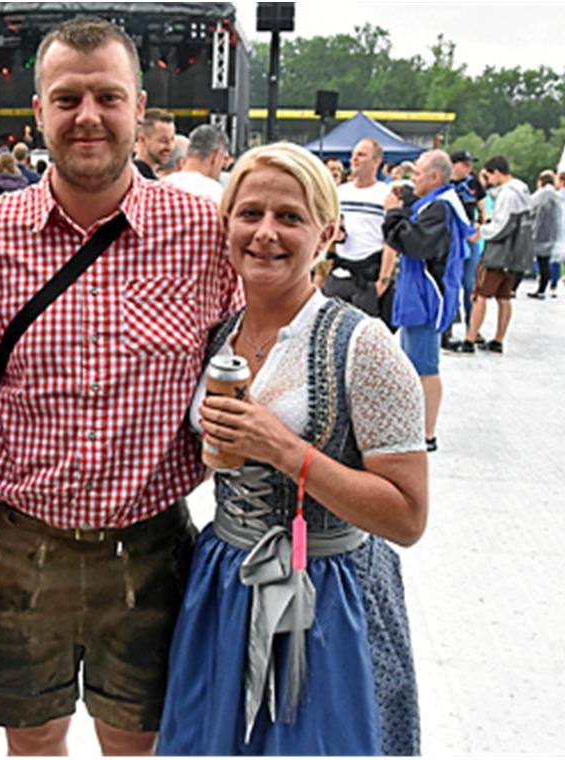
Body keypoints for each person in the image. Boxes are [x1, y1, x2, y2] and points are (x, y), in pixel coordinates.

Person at [0, 17, 236, 755]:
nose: (88, 116)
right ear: (38, 110)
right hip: (19, 542)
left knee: (137, 743)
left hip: (151, 545)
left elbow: (254, 352)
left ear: (141, 108)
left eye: (107, 97)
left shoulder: (204, 235)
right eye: (67, 97)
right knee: (34, 739)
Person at [158, 141, 427, 756]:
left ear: (326, 233)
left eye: (290, 217)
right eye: (249, 214)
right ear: (226, 224)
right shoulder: (214, 338)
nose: (265, 234)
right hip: (223, 578)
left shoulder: (365, 347)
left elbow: (408, 518)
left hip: (330, 594)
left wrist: (286, 451)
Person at [382, 150, 472, 452]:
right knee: (413, 365)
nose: (413, 179)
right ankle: (416, 427)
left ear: (435, 177)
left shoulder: (441, 208)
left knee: (425, 367)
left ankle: (427, 432)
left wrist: (394, 213)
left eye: (418, 173)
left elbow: (415, 243)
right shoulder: (435, 205)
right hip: (418, 296)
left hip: (427, 298)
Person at [459, 155, 530, 354]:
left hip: (498, 252)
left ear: (497, 172)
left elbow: (502, 225)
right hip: (515, 253)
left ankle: (469, 340)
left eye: (489, 177)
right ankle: (498, 340)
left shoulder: (507, 194)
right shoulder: (523, 190)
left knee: (480, 294)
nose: (488, 182)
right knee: (504, 297)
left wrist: (480, 231)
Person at [323, 138, 396, 325]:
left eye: (361, 155)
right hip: (339, 273)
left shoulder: (385, 194)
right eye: (353, 154)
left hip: (368, 277)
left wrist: (382, 284)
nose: (354, 159)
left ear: (376, 161)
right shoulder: (341, 193)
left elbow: (392, 241)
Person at [441, 149, 487, 350]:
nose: (469, 168)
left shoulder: (473, 183)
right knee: (450, 283)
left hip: (469, 238)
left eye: (470, 164)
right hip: (449, 238)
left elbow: (483, 208)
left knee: (471, 285)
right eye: (465, 164)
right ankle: (446, 328)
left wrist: (480, 224)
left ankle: (472, 329)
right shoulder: (444, 183)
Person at [161, 124, 228, 204]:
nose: (222, 168)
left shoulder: (161, 186)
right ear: (215, 156)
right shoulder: (215, 193)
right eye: (223, 158)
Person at [528, 171, 563, 299]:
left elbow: (531, 209)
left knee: (543, 263)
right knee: (545, 262)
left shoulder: (543, 195)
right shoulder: (554, 195)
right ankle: (545, 287)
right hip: (551, 234)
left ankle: (541, 289)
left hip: (542, 234)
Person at [133, 107, 175, 179]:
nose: (169, 147)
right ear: (142, 140)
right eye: (163, 141)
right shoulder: (135, 179)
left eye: (172, 140)